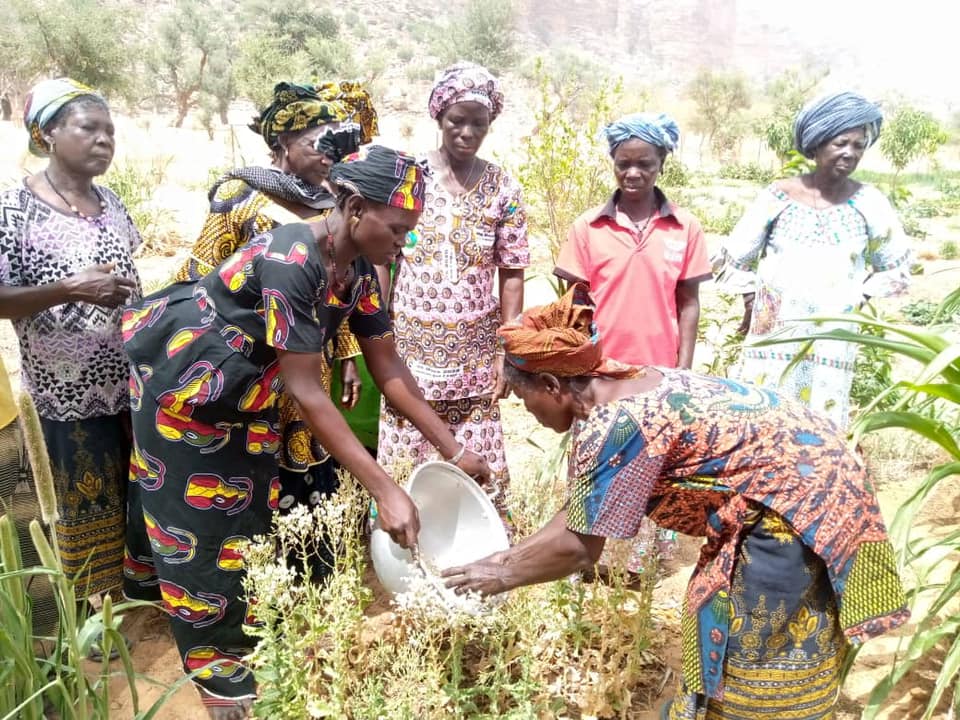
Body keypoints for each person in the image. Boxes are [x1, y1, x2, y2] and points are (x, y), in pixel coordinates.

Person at [122, 145, 490, 719]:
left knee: (244, 514)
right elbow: (306, 388)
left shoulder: (362, 270)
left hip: (246, 392)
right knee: (194, 523)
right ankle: (215, 675)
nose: (405, 244)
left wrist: (456, 448)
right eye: (398, 229)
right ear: (355, 207)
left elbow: (388, 369)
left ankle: (237, 632)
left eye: (411, 233)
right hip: (188, 388)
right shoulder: (293, 256)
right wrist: (383, 488)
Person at [443, 286, 909, 720]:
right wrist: (508, 555)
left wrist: (497, 576)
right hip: (801, 475)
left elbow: (580, 548)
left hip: (801, 503)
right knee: (731, 636)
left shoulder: (618, 420)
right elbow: (581, 511)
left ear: (550, 385)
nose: (528, 410)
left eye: (524, 398)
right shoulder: (611, 390)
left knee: (763, 657)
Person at [174, 81, 383, 519]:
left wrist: (345, 351)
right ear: (283, 143)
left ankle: (305, 562)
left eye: (333, 139)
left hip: (308, 359)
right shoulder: (242, 196)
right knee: (246, 467)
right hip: (244, 365)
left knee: (305, 450)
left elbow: (340, 290)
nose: (327, 151)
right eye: (314, 141)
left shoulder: (336, 203)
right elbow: (198, 278)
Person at [0, 78, 142, 602]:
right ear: (50, 132)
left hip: (129, 378)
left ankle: (138, 591)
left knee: (136, 487)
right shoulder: (14, 208)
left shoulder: (113, 204)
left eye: (110, 130)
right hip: (66, 391)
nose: (104, 139)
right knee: (87, 494)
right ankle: (95, 607)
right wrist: (67, 289)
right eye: (89, 127)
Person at [554, 112, 711, 566]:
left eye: (645, 163)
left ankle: (642, 565)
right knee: (596, 462)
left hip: (657, 373)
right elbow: (573, 303)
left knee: (652, 464)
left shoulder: (685, 228)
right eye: (624, 163)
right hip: (600, 372)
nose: (634, 173)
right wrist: (572, 368)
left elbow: (689, 302)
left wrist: (683, 370)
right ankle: (589, 558)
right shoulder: (588, 228)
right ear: (613, 162)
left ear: (662, 162)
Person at [379, 61, 528, 519]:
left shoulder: (503, 186)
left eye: (478, 124)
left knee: (474, 443)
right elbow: (384, 257)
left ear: (490, 125)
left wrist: (510, 348)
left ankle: (476, 539)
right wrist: (378, 328)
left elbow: (514, 270)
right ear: (438, 116)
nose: (466, 132)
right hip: (410, 343)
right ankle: (405, 540)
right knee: (408, 434)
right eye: (456, 121)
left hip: (477, 350)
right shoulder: (410, 177)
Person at [713, 91, 911, 428]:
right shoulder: (777, 196)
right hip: (775, 333)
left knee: (823, 420)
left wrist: (858, 299)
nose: (849, 152)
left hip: (834, 339)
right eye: (840, 143)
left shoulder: (870, 202)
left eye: (858, 145)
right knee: (767, 415)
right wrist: (753, 300)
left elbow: (895, 266)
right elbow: (735, 259)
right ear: (817, 144)